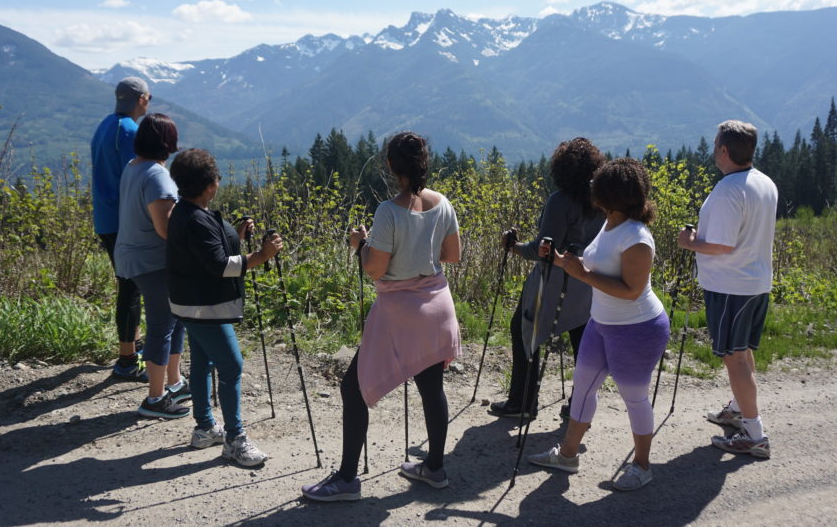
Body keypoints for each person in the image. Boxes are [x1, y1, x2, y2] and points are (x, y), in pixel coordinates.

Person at [302, 131, 461, 502]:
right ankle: (434, 468)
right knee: (431, 388)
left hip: (399, 311)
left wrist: (361, 245)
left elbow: (375, 269)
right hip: (437, 305)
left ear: (390, 165)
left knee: (353, 389)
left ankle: (346, 480)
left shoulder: (389, 211)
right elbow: (452, 255)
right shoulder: (443, 204)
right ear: (425, 162)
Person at [527, 158, 670, 491]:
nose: (591, 188)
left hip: (637, 328)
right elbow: (594, 266)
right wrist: (564, 262)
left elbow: (632, 290)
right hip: (602, 323)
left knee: (634, 396)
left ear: (610, 195)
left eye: (597, 185)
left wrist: (582, 274)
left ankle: (642, 466)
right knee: (584, 385)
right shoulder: (611, 223)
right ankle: (567, 455)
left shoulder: (637, 238)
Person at [166, 148, 282, 465]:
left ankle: (205, 428)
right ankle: (235, 440)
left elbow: (204, 251)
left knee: (203, 362)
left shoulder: (184, 211)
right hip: (206, 307)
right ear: (210, 186)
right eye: (216, 177)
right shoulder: (195, 220)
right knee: (231, 367)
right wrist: (261, 257)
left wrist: (236, 234)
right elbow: (218, 265)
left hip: (188, 304)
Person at [677, 120, 777, 459]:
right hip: (755, 281)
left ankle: (754, 432)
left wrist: (689, 242)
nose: (713, 151)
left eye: (715, 145)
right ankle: (738, 410)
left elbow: (720, 245)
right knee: (744, 350)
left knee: (734, 358)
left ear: (724, 149)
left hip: (729, 285)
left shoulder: (728, 190)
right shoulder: (765, 183)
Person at [488, 138, 606, 420]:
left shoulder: (560, 202)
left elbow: (543, 250)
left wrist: (512, 246)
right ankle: (580, 404)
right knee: (582, 340)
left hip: (554, 282)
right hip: (588, 282)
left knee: (524, 330)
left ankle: (523, 402)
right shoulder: (601, 202)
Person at [115, 113, 190, 419]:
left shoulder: (134, 167)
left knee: (176, 318)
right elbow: (166, 228)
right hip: (152, 261)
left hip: (132, 255)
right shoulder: (158, 176)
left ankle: (175, 382)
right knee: (162, 326)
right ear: (167, 141)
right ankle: (155, 398)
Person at [90, 77, 151, 380]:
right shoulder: (130, 131)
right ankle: (127, 360)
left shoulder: (104, 125)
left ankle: (134, 346)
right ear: (141, 99)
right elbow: (138, 178)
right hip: (123, 221)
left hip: (105, 218)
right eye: (148, 98)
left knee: (129, 285)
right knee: (130, 286)